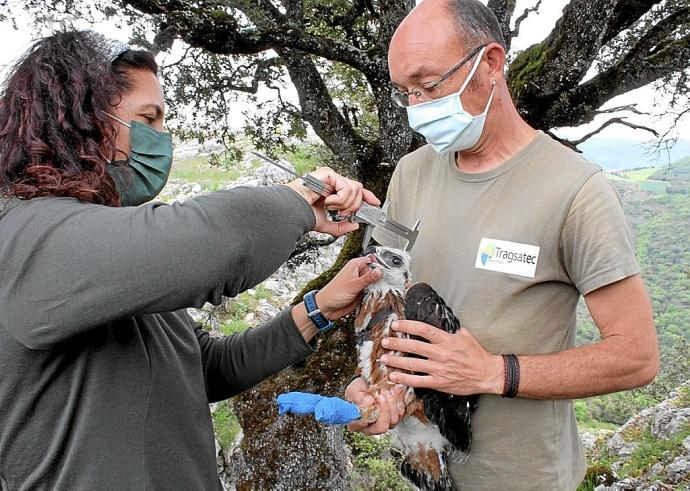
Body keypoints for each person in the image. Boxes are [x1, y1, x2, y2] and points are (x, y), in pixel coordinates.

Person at [0, 30, 384, 489]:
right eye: (149, 118)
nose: (163, 137)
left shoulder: (110, 251)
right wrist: (298, 201)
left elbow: (204, 368)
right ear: (83, 121)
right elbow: (219, 243)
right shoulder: (25, 238)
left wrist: (319, 308)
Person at [345, 0, 660, 489]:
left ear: (491, 63)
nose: (417, 108)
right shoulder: (411, 172)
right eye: (405, 93)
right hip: (429, 468)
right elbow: (383, 303)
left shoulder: (575, 190)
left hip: (524, 476)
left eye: (429, 86)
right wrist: (373, 386)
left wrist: (493, 373)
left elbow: (636, 356)